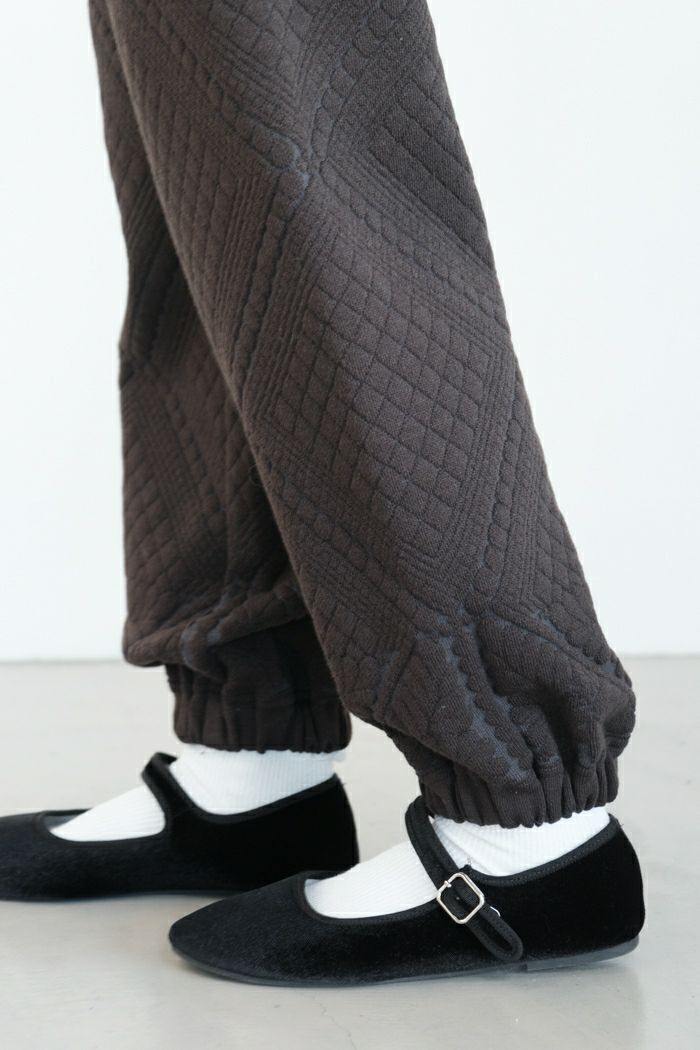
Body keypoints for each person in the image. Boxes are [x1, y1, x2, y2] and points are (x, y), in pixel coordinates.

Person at [0, 0, 644, 985]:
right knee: (198, 180)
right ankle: (254, 760)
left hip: (521, 816)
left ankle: (528, 828)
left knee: (306, 121)